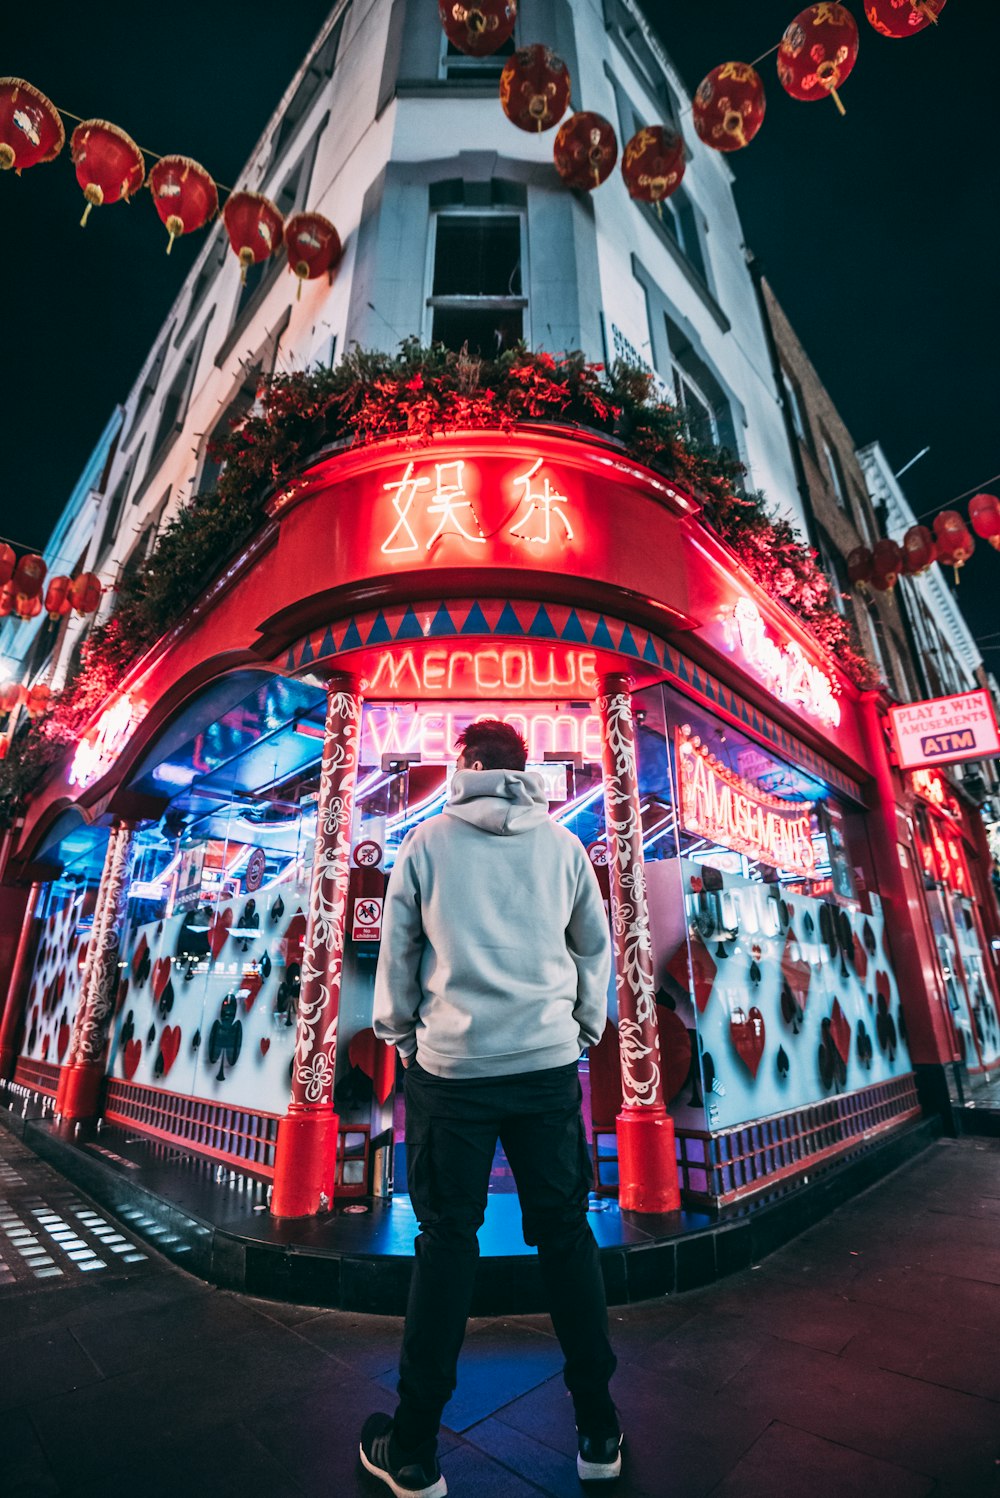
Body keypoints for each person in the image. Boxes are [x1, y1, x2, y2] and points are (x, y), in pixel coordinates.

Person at [360, 719, 620, 1497]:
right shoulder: (563, 845)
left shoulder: (426, 843)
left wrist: (403, 1037)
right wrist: (580, 1028)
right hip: (544, 1068)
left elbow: (399, 954)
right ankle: (599, 1431)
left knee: (445, 1243)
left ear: (463, 765)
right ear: (523, 768)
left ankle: (412, 1450)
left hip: (452, 1071)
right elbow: (593, 946)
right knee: (566, 1236)